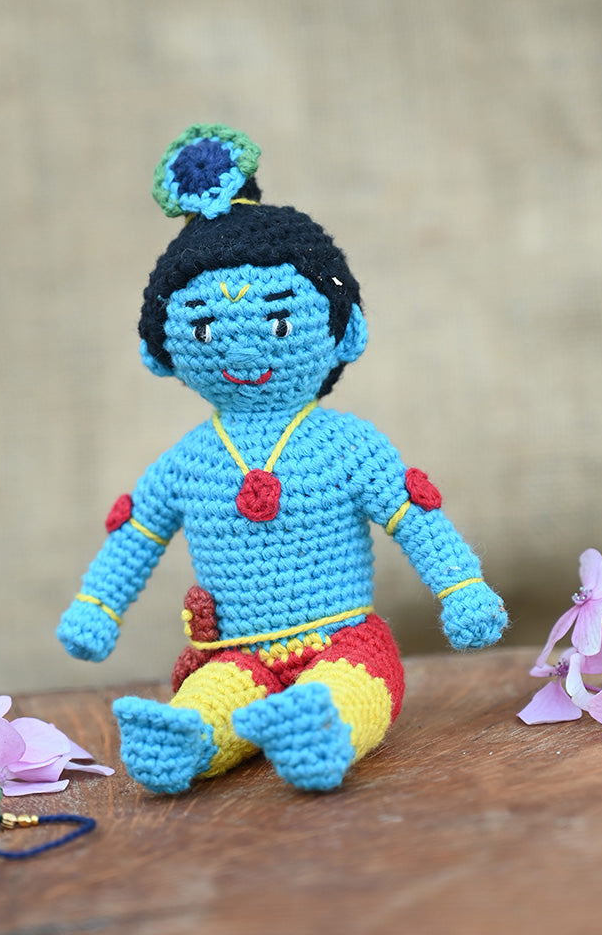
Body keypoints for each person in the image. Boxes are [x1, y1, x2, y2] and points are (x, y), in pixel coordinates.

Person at [57, 124, 507, 793]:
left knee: (354, 687)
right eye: (204, 327)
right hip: (237, 654)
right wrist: (98, 604)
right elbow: (138, 534)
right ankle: (188, 738)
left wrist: (461, 586)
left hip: (343, 641)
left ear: (344, 332)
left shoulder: (347, 447)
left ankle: (319, 725)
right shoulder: (187, 464)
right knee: (215, 692)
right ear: (163, 350)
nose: (241, 351)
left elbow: (412, 515)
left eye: (276, 322)